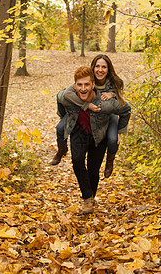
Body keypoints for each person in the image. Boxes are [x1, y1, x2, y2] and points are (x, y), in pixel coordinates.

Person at [57, 66, 131, 214]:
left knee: (93, 169)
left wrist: (118, 131)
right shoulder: (70, 97)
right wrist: (64, 117)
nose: (83, 88)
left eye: (86, 85)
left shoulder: (106, 102)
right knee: (77, 162)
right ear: (74, 85)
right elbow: (60, 98)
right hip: (79, 133)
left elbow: (126, 110)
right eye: (79, 85)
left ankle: (91, 198)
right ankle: (87, 198)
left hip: (99, 136)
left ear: (93, 85)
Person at [50, 54, 125, 179]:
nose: (100, 70)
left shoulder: (113, 83)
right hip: (82, 111)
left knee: (113, 140)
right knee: (60, 128)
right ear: (93, 67)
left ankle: (110, 162)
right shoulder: (86, 79)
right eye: (97, 66)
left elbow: (121, 105)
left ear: (108, 69)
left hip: (108, 115)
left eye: (104, 67)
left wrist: (112, 95)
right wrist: (85, 105)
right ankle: (61, 150)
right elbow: (64, 95)